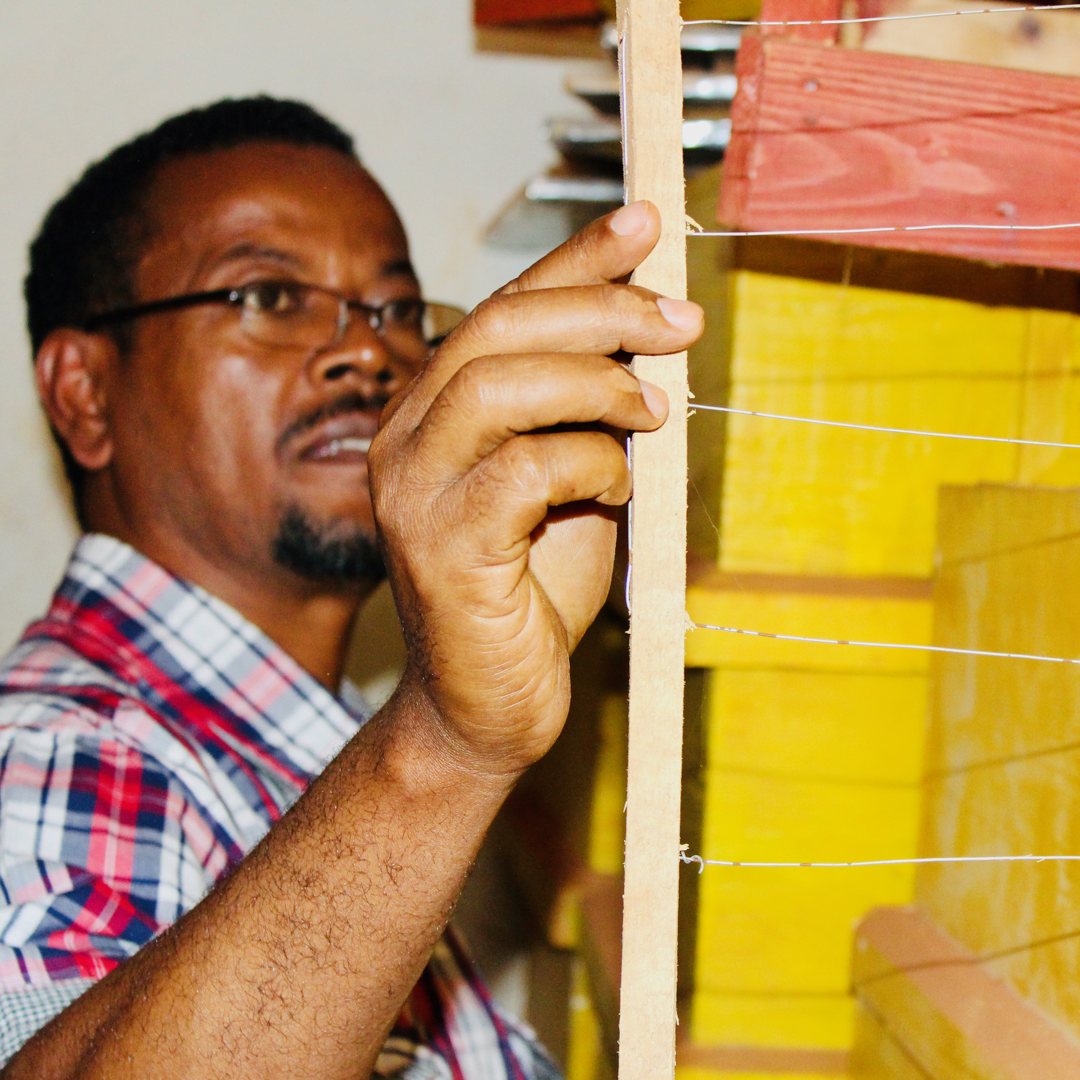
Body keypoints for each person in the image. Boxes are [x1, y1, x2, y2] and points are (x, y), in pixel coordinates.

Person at [0, 97, 702, 1077]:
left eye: (396, 309)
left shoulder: (316, 747)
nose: (369, 351)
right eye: (267, 298)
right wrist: (449, 739)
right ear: (84, 393)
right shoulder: (66, 758)